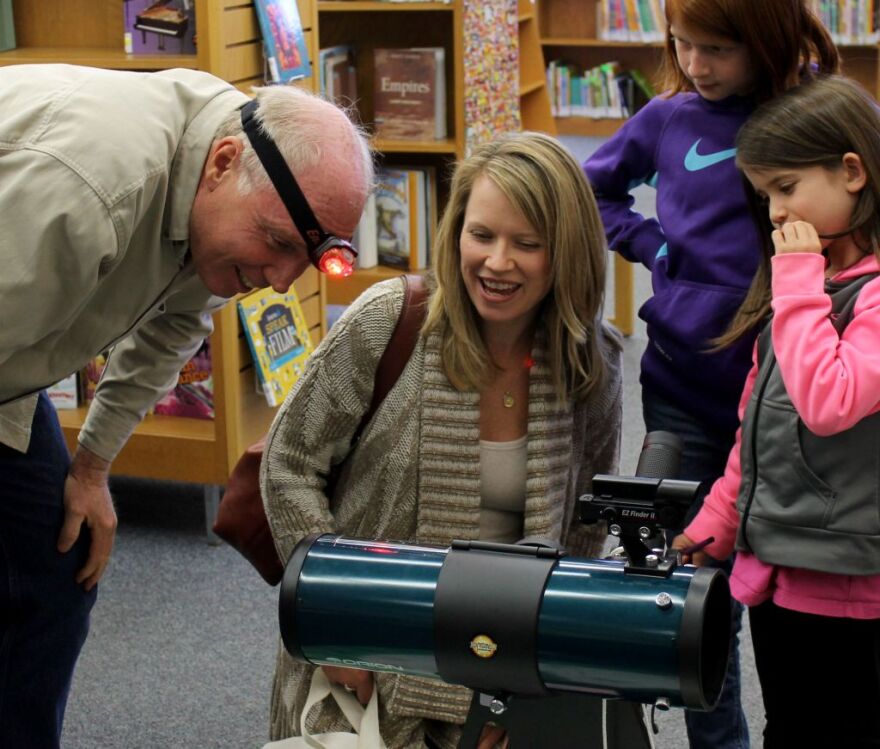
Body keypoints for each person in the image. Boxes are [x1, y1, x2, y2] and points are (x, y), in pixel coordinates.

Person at [0, 63, 372, 747]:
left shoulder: (239, 154)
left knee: (57, 571)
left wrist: (91, 466)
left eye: (306, 259)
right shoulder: (89, 190)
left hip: (12, 371)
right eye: (279, 244)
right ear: (223, 165)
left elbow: (176, 323)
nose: (278, 280)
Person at [261, 132, 650, 748]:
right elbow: (288, 464)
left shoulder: (590, 361)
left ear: (568, 253)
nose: (497, 262)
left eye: (528, 244)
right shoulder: (391, 319)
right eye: (482, 235)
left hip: (506, 663)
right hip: (366, 656)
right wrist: (332, 618)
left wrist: (527, 688)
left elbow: (582, 529)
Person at [582, 2, 839, 746]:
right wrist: (655, 248)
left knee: (789, 595)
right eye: (683, 44)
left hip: (794, 403)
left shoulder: (816, 117)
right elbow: (594, 192)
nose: (696, 64)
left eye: (718, 48)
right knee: (693, 597)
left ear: (765, 38)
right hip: (683, 395)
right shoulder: (667, 117)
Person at [672, 74, 880, 747]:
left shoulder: (855, 296)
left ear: (852, 171)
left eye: (785, 189)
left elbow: (829, 401)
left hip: (853, 590)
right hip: (783, 577)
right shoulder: (810, 290)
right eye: (765, 195)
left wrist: (796, 283)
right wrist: (709, 531)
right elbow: (758, 436)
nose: (772, 213)